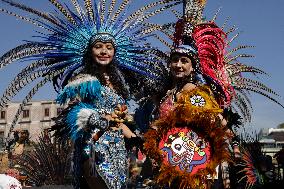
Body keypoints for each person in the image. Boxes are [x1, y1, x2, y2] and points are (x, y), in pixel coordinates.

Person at [0, 0, 182, 188]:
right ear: (90, 51)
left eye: (109, 47)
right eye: (99, 46)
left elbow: (118, 123)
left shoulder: (118, 85)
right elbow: (74, 112)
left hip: (117, 151)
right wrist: (98, 118)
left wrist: (136, 139)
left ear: (115, 51)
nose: (104, 51)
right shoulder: (84, 80)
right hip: (93, 147)